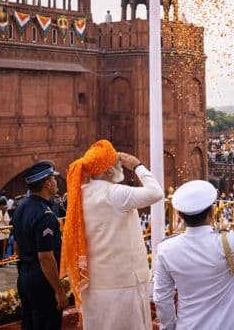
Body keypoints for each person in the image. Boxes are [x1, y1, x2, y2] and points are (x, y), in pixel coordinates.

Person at [59, 139, 163, 330]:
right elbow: (156, 193)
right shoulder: (114, 194)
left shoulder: (80, 193)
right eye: (116, 164)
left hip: (94, 283)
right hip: (122, 283)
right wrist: (137, 166)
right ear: (108, 171)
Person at [153, 179, 234, 329]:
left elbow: (162, 297)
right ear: (211, 212)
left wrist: (169, 327)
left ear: (180, 215)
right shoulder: (229, 242)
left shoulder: (166, 249)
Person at [12, 161, 67, 330]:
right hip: (43, 280)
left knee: (29, 323)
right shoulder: (46, 215)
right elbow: (45, 256)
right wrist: (58, 290)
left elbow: (16, 245)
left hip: (24, 276)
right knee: (47, 323)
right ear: (47, 183)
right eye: (54, 179)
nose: (56, 182)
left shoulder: (21, 208)